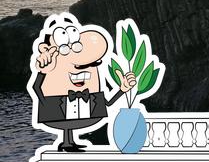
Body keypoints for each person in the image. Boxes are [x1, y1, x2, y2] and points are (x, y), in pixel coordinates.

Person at [30, 15, 137, 151]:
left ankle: (69, 142)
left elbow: (108, 103)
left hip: (84, 105)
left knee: (69, 122)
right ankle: (67, 143)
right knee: (65, 122)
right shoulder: (51, 65)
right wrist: (46, 104)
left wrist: (122, 89)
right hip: (58, 104)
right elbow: (35, 86)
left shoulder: (92, 86)